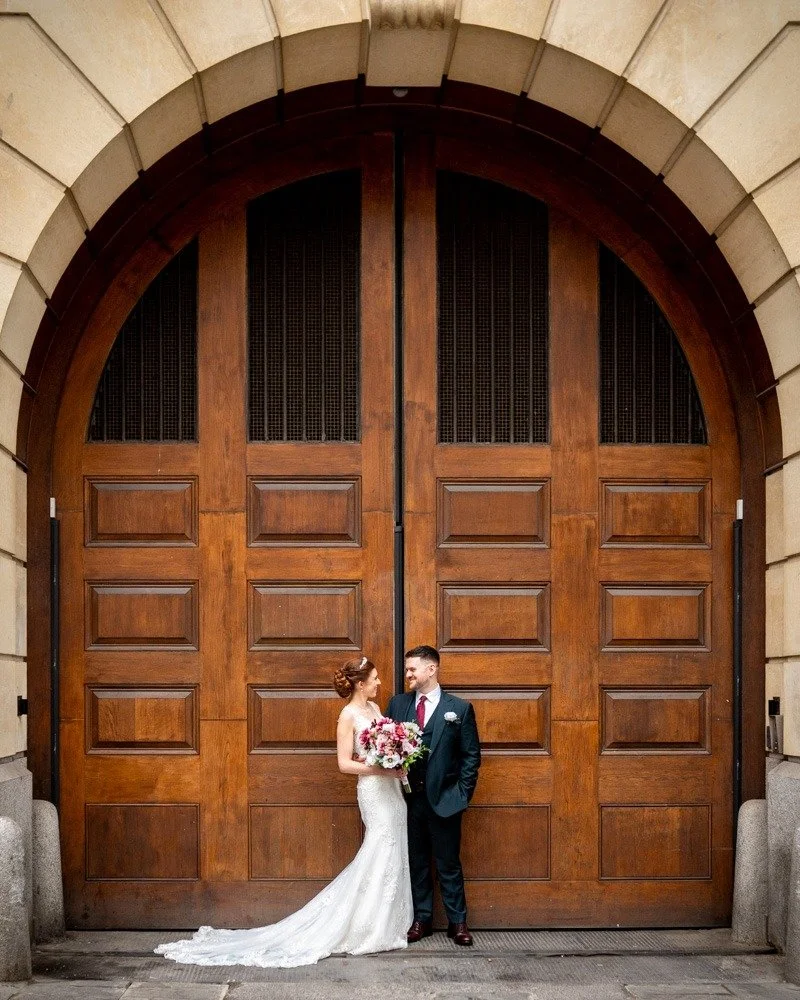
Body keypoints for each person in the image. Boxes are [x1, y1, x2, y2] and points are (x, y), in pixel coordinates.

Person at [154, 656, 412, 968]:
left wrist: (396, 758)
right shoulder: (348, 715)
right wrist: (381, 770)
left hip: (391, 791)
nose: (379, 683)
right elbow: (344, 763)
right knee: (379, 847)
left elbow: (380, 747)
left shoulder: (373, 709)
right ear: (360, 683)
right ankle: (364, 928)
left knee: (393, 847)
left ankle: (384, 923)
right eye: (374, 679)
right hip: (373, 790)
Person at [387, 645, 481, 947]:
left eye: (412, 669)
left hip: (445, 801)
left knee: (449, 863)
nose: (408, 674)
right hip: (409, 800)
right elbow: (387, 746)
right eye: (407, 669)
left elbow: (471, 757)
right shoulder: (398, 704)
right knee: (417, 862)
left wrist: (461, 795)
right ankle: (422, 920)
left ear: (431, 669)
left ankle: (458, 923)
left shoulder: (460, 708)